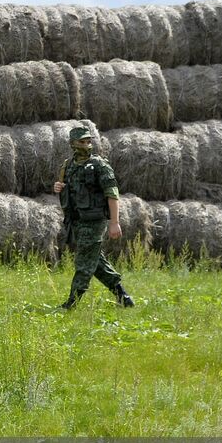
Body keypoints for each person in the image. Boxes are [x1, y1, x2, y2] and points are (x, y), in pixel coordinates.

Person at [53, 125, 135, 310]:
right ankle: (123, 297)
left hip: (94, 221)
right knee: (95, 261)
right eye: (82, 142)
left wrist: (114, 222)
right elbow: (68, 189)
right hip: (77, 221)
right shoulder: (68, 166)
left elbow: (112, 194)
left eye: (89, 141)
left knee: (83, 262)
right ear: (72, 143)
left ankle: (71, 304)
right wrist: (58, 187)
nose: (87, 145)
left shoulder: (100, 166)